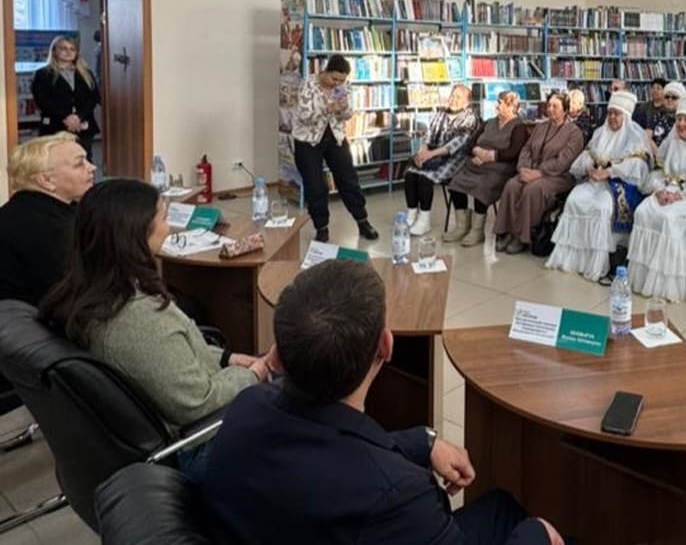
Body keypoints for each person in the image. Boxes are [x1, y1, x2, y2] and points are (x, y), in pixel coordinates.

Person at [200, 260, 563, 544]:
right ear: (385, 346)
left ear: (276, 355)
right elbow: (356, 472)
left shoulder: (247, 407)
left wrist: (423, 442)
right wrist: (538, 534)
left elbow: (331, 451)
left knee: (500, 506)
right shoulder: (397, 497)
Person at [39, 179, 273, 477]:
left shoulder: (87, 292)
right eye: (163, 218)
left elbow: (166, 358)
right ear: (135, 235)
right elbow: (197, 402)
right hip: (199, 444)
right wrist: (253, 374)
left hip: (176, 419)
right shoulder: (138, 319)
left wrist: (226, 358)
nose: (169, 228)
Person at [545, 92, 651, 281]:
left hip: (619, 184)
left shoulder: (636, 136)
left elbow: (639, 166)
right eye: (610, 113)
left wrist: (610, 172)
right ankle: (572, 260)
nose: (612, 117)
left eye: (617, 114)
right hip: (595, 180)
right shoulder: (600, 133)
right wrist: (589, 169)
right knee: (574, 200)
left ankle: (596, 264)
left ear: (626, 116)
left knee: (601, 207)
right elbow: (586, 155)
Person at [627, 94, 686, 300]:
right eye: (679, 119)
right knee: (643, 211)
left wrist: (680, 195)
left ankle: (668, 284)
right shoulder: (668, 144)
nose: (681, 124)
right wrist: (659, 189)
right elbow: (656, 173)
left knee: (668, 218)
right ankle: (643, 278)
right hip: (665, 191)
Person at [0, 133, 94, 306]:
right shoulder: (52, 228)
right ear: (46, 180)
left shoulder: (19, 209)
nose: (92, 167)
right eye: (79, 163)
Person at [292, 54, 378, 243]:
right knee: (315, 185)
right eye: (334, 79)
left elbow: (348, 114)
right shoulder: (308, 84)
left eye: (341, 80)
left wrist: (344, 108)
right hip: (308, 140)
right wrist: (327, 109)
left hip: (335, 137)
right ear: (326, 71)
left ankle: (362, 221)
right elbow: (304, 116)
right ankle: (321, 227)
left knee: (349, 179)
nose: (337, 83)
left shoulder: (342, 86)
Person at [494, 94, 585, 255]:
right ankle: (507, 231)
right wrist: (523, 168)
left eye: (555, 106)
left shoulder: (574, 133)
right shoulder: (540, 127)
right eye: (549, 105)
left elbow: (564, 161)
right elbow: (526, 149)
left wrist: (539, 172)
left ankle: (523, 237)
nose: (550, 109)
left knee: (532, 190)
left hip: (558, 176)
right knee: (512, 185)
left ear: (565, 110)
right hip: (531, 170)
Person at [445, 91, 529, 246]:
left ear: (511, 107)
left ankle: (477, 231)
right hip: (476, 165)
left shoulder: (519, 127)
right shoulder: (489, 122)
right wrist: (477, 151)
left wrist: (490, 156)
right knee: (456, 183)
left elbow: (513, 152)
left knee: (482, 186)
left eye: (500, 103)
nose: (496, 106)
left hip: (500, 169)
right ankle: (461, 227)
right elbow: (470, 143)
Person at [403, 84, 481, 236]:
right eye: (453, 95)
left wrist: (430, 155)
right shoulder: (440, 114)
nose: (453, 100)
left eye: (458, 97)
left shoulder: (471, 118)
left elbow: (457, 144)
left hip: (456, 158)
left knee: (424, 178)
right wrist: (422, 152)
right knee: (410, 174)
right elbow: (428, 136)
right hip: (433, 154)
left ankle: (424, 220)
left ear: (466, 103)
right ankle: (411, 215)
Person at [30, 35, 102, 161]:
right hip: (55, 126)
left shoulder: (86, 73)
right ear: (54, 51)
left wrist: (78, 117)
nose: (68, 52)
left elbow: (93, 98)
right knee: (58, 162)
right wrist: (66, 118)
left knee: (83, 160)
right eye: (64, 48)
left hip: (83, 125)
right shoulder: (43, 74)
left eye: (72, 49)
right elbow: (42, 100)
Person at [646, 81, 685, 147]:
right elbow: (647, 137)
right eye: (667, 97)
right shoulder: (658, 116)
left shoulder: (684, 120)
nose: (670, 100)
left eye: (674, 97)